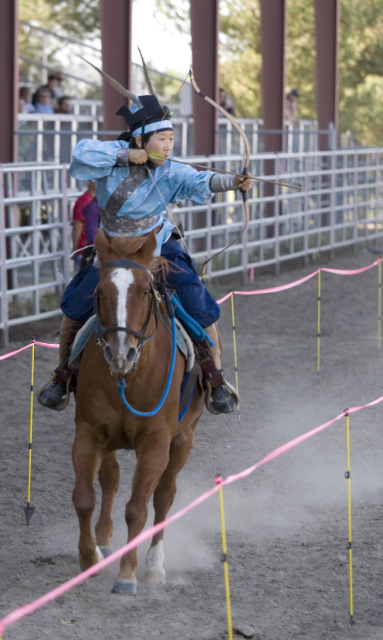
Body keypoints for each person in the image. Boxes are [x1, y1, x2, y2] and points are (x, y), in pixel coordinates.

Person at [37, 75, 252, 416]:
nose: (168, 146)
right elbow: (79, 155)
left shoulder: (171, 171)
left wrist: (231, 181)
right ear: (141, 140)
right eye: (162, 139)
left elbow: (201, 179)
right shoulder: (110, 160)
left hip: (158, 247)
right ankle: (62, 374)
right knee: (76, 306)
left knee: (197, 301)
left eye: (171, 139)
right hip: (112, 251)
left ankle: (215, 377)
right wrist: (125, 155)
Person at [72, 181, 95, 271]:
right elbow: (77, 228)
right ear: (89, 182)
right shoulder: (84, 201)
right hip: (84, 250)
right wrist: (76, 251)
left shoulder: (93, 200)